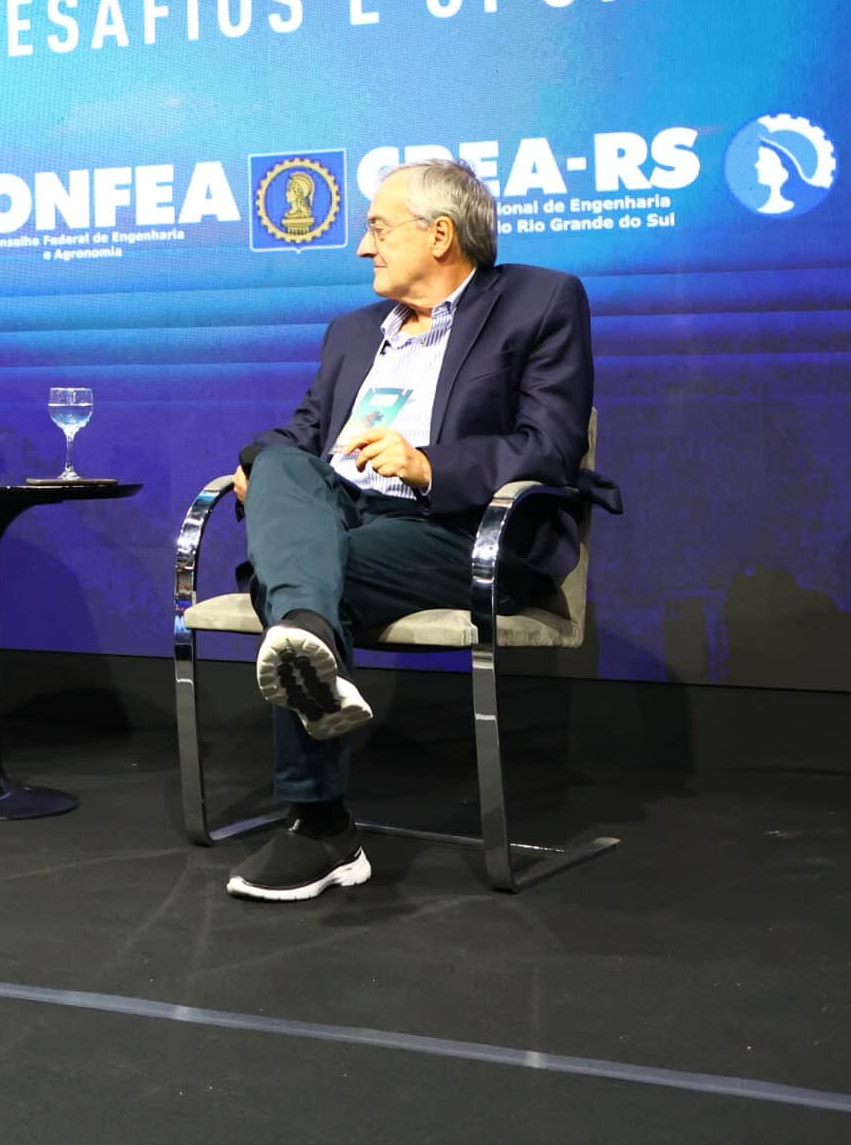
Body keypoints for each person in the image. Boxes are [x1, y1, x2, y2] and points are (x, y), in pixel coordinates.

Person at [223, 160, 609, 903]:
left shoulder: (541, 301)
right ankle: (307, 633)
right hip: (340, 516)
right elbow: (303, 436)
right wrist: (257, 466)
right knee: (280, 470)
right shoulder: (352, 332)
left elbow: (550, 446)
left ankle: (319, 823)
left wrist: (428, 464)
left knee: (307, 576)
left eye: (377, 227)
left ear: (440, 235)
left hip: (455, 528)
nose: (363, 247)